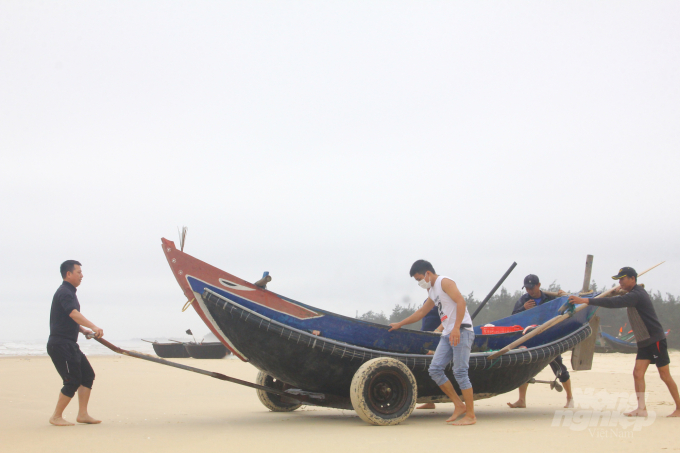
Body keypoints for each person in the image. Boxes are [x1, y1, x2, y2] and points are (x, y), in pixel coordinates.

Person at [569, 267, 680, 418]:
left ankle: (679, 407)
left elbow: (615, 302)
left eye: (623, 278)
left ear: (633, 279)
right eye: (619, 279)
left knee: (664, 375)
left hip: (655, 339)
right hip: (644, 341)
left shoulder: (637, 294)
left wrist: (585, 300)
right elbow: (615, 296)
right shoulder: (631, 293)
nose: (620, 281)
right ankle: (642, 409)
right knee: (637, 373)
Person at [389, 260, 476, 425]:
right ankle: (459, 405)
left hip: (462, 330)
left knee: (460, 372)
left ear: (427, 273)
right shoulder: (432, 291)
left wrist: (457, 327)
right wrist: (400, 324)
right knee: (435, 369)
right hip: (448, 333)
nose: (419, 283)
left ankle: (471, 415)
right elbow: (422, 311)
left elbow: (461, 302)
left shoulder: (445, 282)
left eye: (419, 278)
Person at [47, 260, 104, 426]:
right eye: (78, 272)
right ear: (68, 274)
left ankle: (83, 414)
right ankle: (56, 416)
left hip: (69, 344)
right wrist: (93, 326)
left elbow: (66, 318)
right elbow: (73, 313)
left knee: (87, 375)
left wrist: (83, 330)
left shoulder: (69, 292)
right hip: (59, 345)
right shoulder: (65, 292)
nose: (82, 275)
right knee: (72, 379)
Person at [507, 274, 573, 409]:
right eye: (527, 288)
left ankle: (569, 398)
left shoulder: (550, 298)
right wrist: (523, 309)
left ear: (538, 285)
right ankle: (521, 400)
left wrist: (563, 295)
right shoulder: (524, 300)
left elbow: (566, 306)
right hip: (529, 336)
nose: (529, 291)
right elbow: (513, 318)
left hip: (548, 336)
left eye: (532, 287)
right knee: (523, 367)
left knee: (558, 365)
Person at [416, 300, 443, 410]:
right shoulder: (427, 301)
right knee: (425, 370)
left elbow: (448, 318)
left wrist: (437, 331)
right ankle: (429, 402)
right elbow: (421, 314)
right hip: (425, 337)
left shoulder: (441, 298)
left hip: (436, 339)